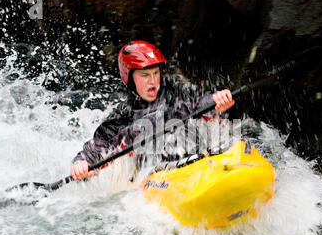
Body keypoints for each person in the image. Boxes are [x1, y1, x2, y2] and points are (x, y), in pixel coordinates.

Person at [71, 40, 235, 180]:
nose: (153, 81)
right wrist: (81, 164)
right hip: (156, 178)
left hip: (196, 160)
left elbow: (203, 101)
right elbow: (97, 147)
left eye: (156, 73)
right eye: (144, 75)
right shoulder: (124, 114)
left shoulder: (179, 92)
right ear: (129, 79)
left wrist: (217, 100)